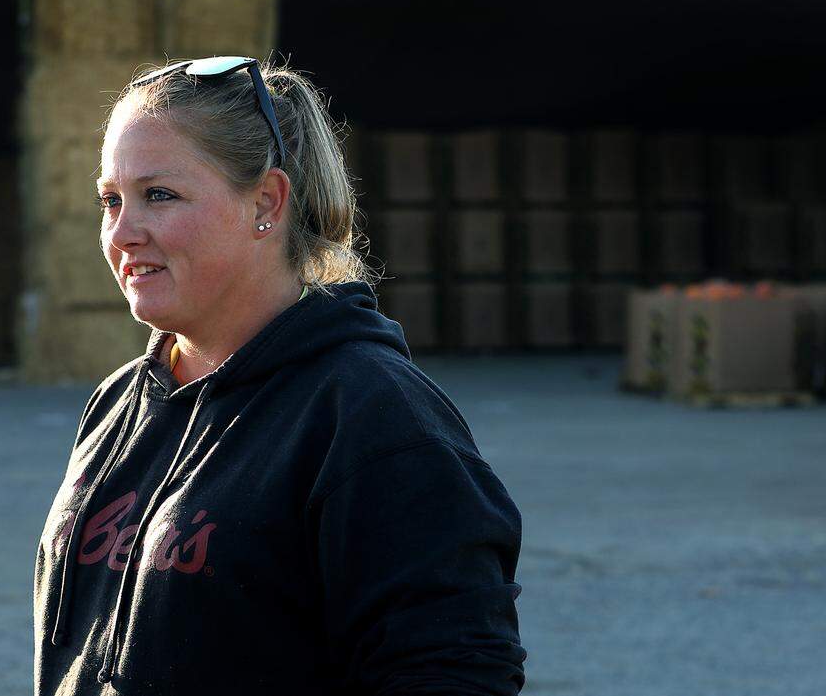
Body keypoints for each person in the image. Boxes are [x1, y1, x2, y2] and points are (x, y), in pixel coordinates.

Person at [33, 55, 526, 695]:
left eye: (159, 195)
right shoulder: (118, 403)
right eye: (110, 200)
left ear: (266, 200)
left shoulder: (374, 415)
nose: (122, 233)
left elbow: (456, 672)